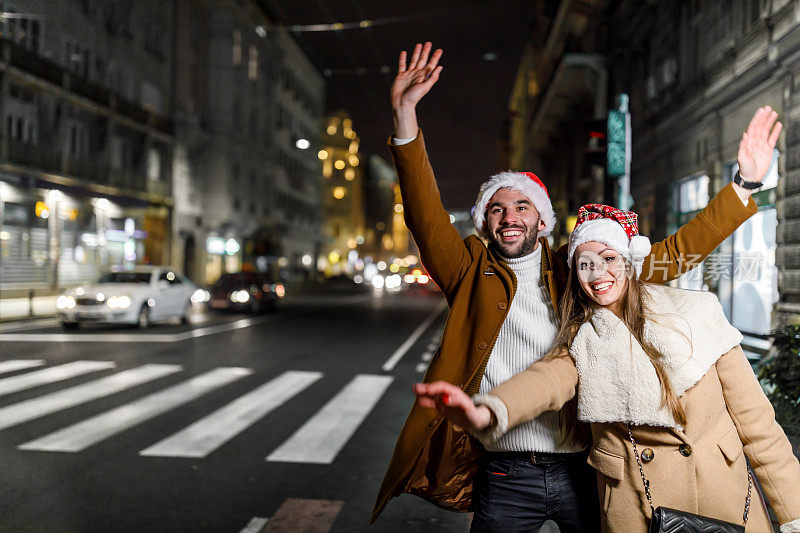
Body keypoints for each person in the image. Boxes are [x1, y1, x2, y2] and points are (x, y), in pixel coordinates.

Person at [372, 41, 774, 531]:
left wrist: (743, 189)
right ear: (484, 225)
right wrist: (405, 115)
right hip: (506, 473)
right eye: (496, 208)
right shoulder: (467, 269)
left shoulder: (578, 271)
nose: (509, 215)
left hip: (586, 467)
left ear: (542, 221)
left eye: (522, 206)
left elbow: (671, 255)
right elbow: (424, 212)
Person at [414, 203, 800, 532]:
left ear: (630, 260)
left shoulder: (699, 313)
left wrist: (793, 516)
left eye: (610, 259)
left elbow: (760, 430)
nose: (599, 275)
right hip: (639, 510)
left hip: (728, 503)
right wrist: (486, 409)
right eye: (585, 264)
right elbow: (544, 380)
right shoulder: (582, 340)